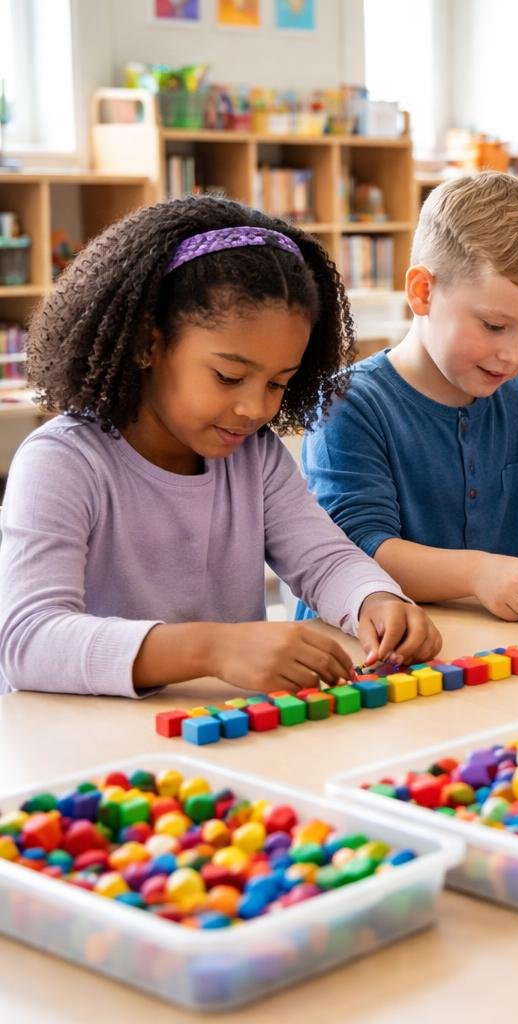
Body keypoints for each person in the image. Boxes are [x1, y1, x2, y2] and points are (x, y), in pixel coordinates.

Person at [0, 196, 440, 697]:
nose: (255, 409)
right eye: (229, 376)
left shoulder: (255, 456)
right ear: (148, 343)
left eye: (278, 383)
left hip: (217, 738)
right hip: (89, 752)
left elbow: (325, 559)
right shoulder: (63, 462)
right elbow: (27, 640)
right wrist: (213, 649)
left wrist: (376, 599)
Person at [302, 172, 518, 621]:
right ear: (423, 291)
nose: (512, 356)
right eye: (493, 326)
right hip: (365, 657)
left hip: (484, 651)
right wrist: (476, 574)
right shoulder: (350, 403)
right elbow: (356, 551)